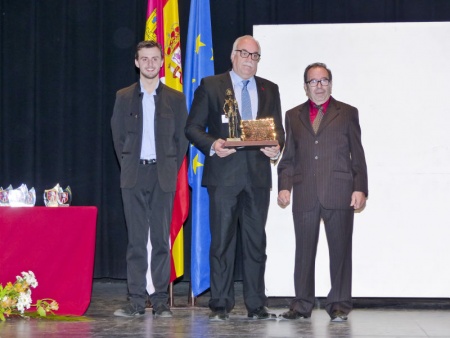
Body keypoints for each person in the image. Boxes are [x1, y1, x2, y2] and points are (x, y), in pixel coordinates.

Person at [185, 35, 285, 321]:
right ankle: (220, 304)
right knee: (221, 244)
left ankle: (256, 305)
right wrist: (214, 144)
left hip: (257, 178)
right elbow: (192, 128)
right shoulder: (211, 85)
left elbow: (278, 131)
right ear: (233, 55)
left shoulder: (270, 89)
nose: (250, 60)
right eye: (245, 54)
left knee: (256, 244)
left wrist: (276, 147)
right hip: (224, 177)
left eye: (255, 56)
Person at [277, 62, 368, 322]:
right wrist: (285, 185)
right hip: (305, 192)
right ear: (305, 86)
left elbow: (358, 155)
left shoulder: (348, 113)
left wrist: (360, 187)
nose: (319, 86)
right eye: (313, 81)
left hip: (340, 191)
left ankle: (339, 304)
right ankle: (301, 305)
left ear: (331, 83)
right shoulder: (292, 115)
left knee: (340, 251)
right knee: (303, 252)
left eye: (324, 80)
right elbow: (289, 157)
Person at [111, 40, 189, 318]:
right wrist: (132, 164)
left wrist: (166, 165)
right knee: (135, 240)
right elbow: (117, 136)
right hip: (133, 175)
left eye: (155, 59)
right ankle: (134, 301)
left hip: (162, 176)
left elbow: (181, 141)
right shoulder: (123, 97)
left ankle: (159, 302)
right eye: (144, 59)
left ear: (162, 62)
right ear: (136, 62)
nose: (150, 64)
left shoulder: (176, 99)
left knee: (159, 240)